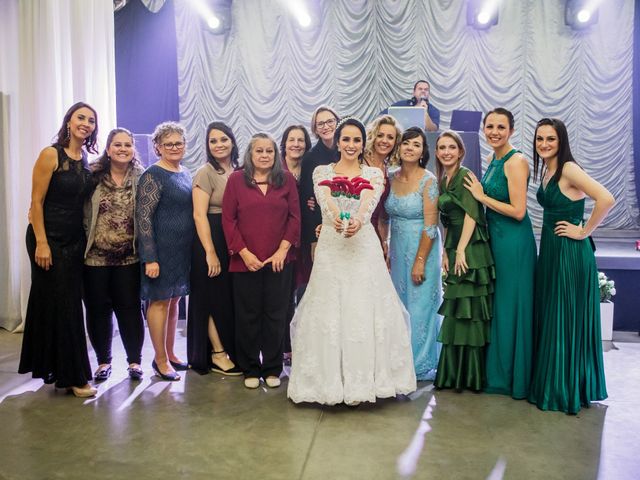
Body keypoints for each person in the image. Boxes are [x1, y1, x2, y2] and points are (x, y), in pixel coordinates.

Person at [287, 117, 416, 406]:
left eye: (356, 140)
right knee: (329, 308)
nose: (351, 144)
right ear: (339, 142)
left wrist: (357, 220)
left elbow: (369, 202)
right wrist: (337, 221)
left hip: (363, 245)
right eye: (346, 139)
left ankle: (366, 382)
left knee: (364, 307)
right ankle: (327, 383)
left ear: (362, 143)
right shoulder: (322, 170)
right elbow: (325, 200)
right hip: (332, 245)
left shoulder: (373, 174)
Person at [528, 118, 614, 414]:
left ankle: (562, 390)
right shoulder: (549, 169)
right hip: (552, 250)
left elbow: (606, 198)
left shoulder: (568, 168)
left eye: (550, 139)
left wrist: (584, 230)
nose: (544, 144)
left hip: (569, 252)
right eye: (540, 139)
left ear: (561, 140)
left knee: (562, 316)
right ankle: (556, 383)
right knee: (554, 315)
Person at [19, 102, 98, 398]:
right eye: (81, 117)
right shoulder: (50, 154)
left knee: (61, 305)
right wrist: (41, 242)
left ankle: (57, 369)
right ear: (69, 121)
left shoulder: (86, 159)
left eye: (91, 120)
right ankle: (75, 377)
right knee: (65, 307)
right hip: (47, 239)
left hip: (74, 241)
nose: (86, 123)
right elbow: (36, 202)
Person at [463, 108, 536, 399]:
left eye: (501, 127)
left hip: (514, 243)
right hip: (497, 239)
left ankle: (511, 378)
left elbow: (519, 211)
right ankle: (498, 371)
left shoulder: (516, 161)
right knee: (500, 306)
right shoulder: (495, 158)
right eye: (490, 126)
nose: (494, 131)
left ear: (512, 130)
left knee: (511, 307)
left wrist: (482, 197)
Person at [222, 133, 300, 389]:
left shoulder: (286, 180)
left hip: (279, 261)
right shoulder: (236, 180)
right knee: (248, 315)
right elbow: (228, 220)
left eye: (269, 151)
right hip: (245, 261)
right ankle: (251, 368)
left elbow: (295, 218)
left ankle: (272, 367)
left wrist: (282, 251)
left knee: (276, 315)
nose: (265, 155)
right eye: (259, 151)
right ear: (250, 154)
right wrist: (243, 253)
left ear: (276, 155)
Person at [434, 130, 494, 392]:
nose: (446, 151)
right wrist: (446, 250)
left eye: (451, 147)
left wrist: (459, 250)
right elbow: (446, 219)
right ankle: (453, 372)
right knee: (457, 310)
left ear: (460, 151)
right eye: (441, 147)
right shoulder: (443, 179)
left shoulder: (465, 175)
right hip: (455, 244)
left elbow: (472, 214)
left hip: (470, 247)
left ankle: (471, 375)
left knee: (470, 310)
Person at [83, 128, 145, 382]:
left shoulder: (142, 177)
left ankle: (134, 362)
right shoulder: (92, 176)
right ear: (108, 150)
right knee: (98, 310)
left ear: (133, 150)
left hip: (129, 258)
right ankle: (103, 362)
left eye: (127, 145)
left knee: (130, 310)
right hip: (94, 257)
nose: (122, 149)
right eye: (117, 145)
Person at [136, 122, 194, 381]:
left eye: (178, 143)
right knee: (159, 302)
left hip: (181, 252)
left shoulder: (185, 173)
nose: (174, 148)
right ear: (157, 147)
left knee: (174, 303)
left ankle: (170, 353)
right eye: (168, 144)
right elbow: (143, 218)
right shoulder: (152, 175)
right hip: (159, 252)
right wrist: (150, 257)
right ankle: (159, 359)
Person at [385, 127, 442, 381]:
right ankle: (398, 361)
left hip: (423, 249)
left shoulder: (428, 180)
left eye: (416, 145)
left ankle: (419, 365)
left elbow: (431, 226)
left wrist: (420, 261)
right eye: (406, 143)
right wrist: (384, 246)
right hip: (396, 248)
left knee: (419, 308)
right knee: (398, 307)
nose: (410, 148)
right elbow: (382, 217)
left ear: (423, 151)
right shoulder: (389, 176)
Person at [188, 122, 242, 375]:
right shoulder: (205, 172)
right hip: (210, 239)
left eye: (223, 139)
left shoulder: (239, 171)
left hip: (231, 239)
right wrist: (210, 251)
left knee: (226, 299)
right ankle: (217, 353)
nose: (219, 144)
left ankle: (230, 349)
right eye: (213, 141)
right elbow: (199, 215)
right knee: (209, 298)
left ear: (232, 141)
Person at [279, 125, 312, 366]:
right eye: (292, 140)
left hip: (307, 237)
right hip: (282, 238)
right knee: (283, 295)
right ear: (284, 143)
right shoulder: (275, 168)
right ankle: (284, 346)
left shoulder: (311, 169)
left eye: (301, 140)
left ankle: (303, 343)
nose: (296, 144)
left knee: (305, 293)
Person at [298, 106, 339, 262]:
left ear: (338, 122)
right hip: (321, 225)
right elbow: (307, 201)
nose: (326, 126)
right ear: (315, 129)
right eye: (320, 124)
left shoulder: (348, 151)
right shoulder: (310, 158)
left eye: (330, 121)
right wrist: (312, 241)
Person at [363, 114, 401, 246]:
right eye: (380, 135)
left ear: (395, 142)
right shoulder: (360, 162)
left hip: (375, 234)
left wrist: (384, 240)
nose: (385, 140)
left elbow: (381, 214)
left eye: (390, 137)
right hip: (356, 231)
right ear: (373, 136)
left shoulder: (386, 169)